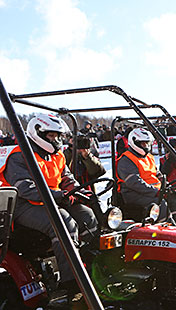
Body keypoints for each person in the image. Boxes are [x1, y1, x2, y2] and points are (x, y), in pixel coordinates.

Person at [0, 114, 98, 300]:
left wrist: (76, 191)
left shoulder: (57, 155)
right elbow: (26, 189)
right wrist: (59, 196)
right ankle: (71, 283)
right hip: (23, 206)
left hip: (52, 199)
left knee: (88, 216)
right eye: (51, 136)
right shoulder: (20, 155)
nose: (56, 140)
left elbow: (66, 177)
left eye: (58, 136)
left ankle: (89, 265)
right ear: (38, 133)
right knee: (64, 223)